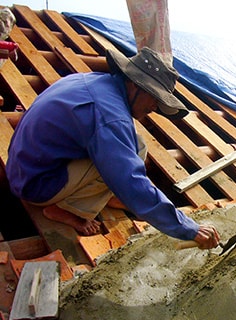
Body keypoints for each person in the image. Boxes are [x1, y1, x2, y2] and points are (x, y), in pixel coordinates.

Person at [6, 47, 220, 249]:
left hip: (22, 163)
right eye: (155, 97)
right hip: (35, 184)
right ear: (135, 84)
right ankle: (64, 208)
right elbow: (130, 180)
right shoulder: (111, 117)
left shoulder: (93, 80)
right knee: (121, 165)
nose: (155, 107)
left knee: (137, 144)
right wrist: (188, 228)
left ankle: (104, 195)